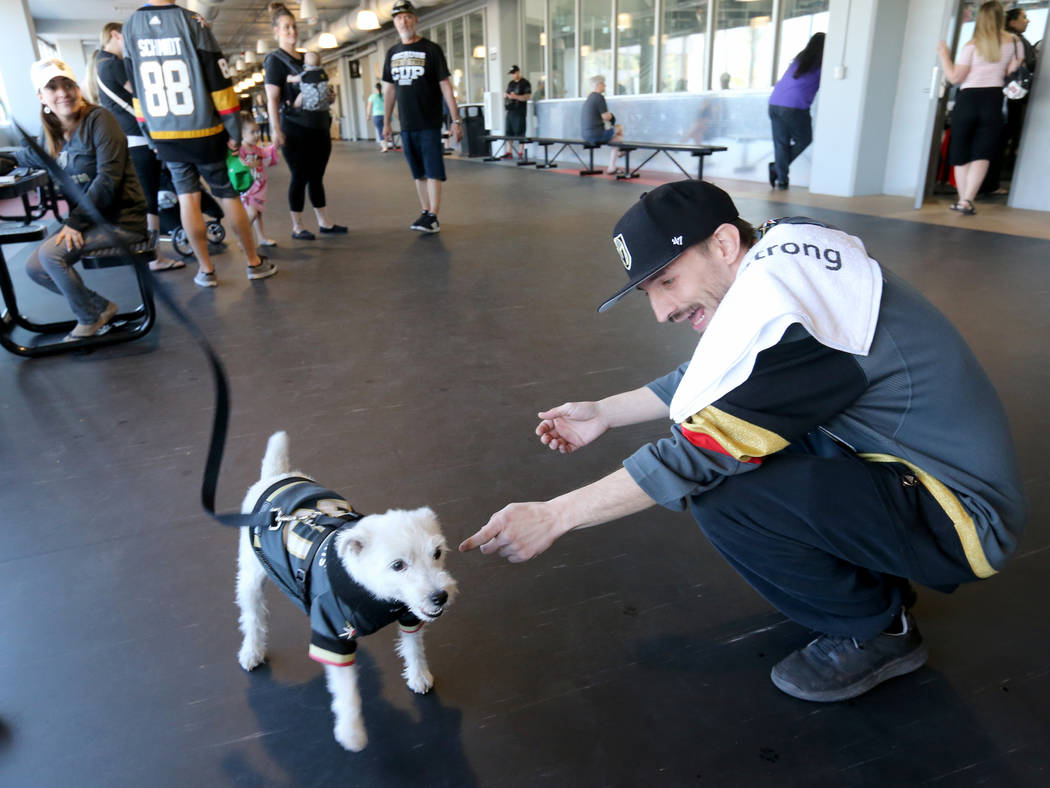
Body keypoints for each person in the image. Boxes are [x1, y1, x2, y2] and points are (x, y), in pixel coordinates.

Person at [460, 180, 1026, 704]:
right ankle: (870, 582)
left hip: (961, 517)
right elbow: (726, 372)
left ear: (725, 243)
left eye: (667, 282)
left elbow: (694, 456)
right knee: (751, 441)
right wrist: (605, 412)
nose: (661, 311)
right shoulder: (781, 260)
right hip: (909, 469)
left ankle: (878, 631)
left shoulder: (804, 326)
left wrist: (554, 515)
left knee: (723, 492)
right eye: (650, 292)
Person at [122, 0, 276, 288]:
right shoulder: (193, 21)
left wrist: (149, 134)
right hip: (203, 129)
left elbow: (137, 91)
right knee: (227, 195)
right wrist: (232, 128)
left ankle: (206, 270)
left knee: (187, 198)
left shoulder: (130, 27)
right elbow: (219, 80)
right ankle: (254, 263)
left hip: (165, 134)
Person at [15, 59, 146, 340]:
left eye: (68, 84)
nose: (63, 92)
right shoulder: (52, 134)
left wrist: (75, 222)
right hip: (91, 222)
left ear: (78, 88)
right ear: (41, 97)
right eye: (52, 87)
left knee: (51, 256)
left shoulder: (100, 120)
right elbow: (23, 157)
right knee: (33, 267)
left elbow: (108, 179)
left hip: (122, 219)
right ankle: (101, 308)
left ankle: (89, 318)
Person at [86, 21, 183, 272]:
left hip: (125, 140)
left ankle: (153, 255)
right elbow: (144, 96)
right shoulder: (114, 65)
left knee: (146, 199)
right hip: (138, 140)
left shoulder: (100, 65)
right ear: (116, 35)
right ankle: (155, 258)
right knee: (149, 200)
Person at [264, 3, 347, 241]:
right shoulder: (274, 61)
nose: (292, 31)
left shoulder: (307, 58)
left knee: (317, 176)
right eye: (286, 27)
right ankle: (297, 225)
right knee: (300, 175)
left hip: (319, 125)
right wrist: (276, 129)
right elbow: (273, 98)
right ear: (276, 32)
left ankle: (324, 222)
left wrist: (328, 96)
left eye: (293, 26)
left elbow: (317, 90)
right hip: (294, 127)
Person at [382, 0, 463, 234]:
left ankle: (434, 216)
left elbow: (445, 86)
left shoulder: (431, 49)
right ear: (394, 23)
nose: (403, 21)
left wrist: (456, 120)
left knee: (433, 170)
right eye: (398, 18)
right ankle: (426, 211)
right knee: (417, 172)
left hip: (429, 121)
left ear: (415, 20)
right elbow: (390, 90)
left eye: (407, 16)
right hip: (406, 124)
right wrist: (387, 122)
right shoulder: (392, 53)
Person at [936, 1, 1021, 215]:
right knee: (982, 153)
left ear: (981, 19)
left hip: (968, 100)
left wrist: (944, 56)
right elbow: (1012, 69)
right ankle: (967, 201)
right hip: (993, 100)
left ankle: (962, 200)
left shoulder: (972, 45)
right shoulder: (1014, 42)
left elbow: (955, 77)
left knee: (961, 150)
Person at [988, 6, 1039, 193]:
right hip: (1011, 98)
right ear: (1012, 22)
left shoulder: (997, 40)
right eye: (1024, 17)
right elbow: (1026, 67)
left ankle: (988, 182)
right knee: (1002, 139)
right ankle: (991, 183)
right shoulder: (1016, 41)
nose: (1028, 20)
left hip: (997, 96)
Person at [767, 32, 824, 190]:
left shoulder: (800, 59)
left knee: (781, 144)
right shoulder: (821, 63)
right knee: (804, 139)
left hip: (774, 103)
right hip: (794, 107)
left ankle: (782, 178)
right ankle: (777, 169)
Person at [235, 113, 279, 248]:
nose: (256, 135)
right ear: (242, 133)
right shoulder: (240, 150)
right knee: (252, 212)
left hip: (259, 186)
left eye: (257, 131)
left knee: (258, 213)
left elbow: (266, 154)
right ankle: (242, 237)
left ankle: (261, 238)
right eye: (252, 132)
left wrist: (274, 146)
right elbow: (237, 165)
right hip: (248, 188)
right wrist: (248, 164)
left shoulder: (256, 149)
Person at [580, 74, 624, 176]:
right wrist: (612, 116)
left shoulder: (590, 98)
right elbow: (605, 116)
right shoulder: (599, 97)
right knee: (620, 128)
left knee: (616, 140)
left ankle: (613, 163)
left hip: (586, 135)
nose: (605, 86)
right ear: (598, 85)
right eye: (603, 84)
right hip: (596, 134)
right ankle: (620, 153)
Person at [503, 65, 532, 159]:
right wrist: (506, 96)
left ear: (518, 72)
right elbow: (508, 94)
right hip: (510, 110)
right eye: (511, 74)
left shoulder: (525, 83)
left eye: (514, 73)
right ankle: (509, 152)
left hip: (519, 111)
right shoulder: (511, 83)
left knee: (520, 131)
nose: (513, 75)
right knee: (508, 131)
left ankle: (520, 152)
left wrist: (516, 97)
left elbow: (527, 96)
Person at [365, 82, 388, 152]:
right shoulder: (385, 96)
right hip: (386, 115)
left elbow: (369, 107)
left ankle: (384, 147)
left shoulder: (372, 96)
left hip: (377, 116)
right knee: (386, 130)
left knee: (380, 131)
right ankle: (388, 145)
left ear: (375, 89)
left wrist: (368, 115)